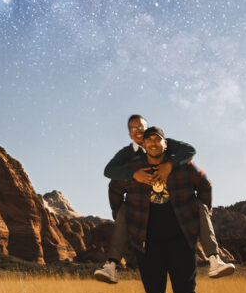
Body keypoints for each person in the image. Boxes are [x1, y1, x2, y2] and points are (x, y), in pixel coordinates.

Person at [94, 114, 234, 283]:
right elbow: (110, 174)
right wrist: (132, 175)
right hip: (144, 214)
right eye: (133, 129)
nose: (137, 131)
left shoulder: (166, 145)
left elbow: (191, 153)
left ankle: (215, 260)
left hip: (175, 215)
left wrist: (170, 165)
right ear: (130, 134)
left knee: (198, 205)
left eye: (141, 127)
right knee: (125, 210)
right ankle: (111, 265)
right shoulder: (128, 154)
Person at [116, 126, 209, 293]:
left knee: (185, 291)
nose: (153, 143)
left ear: (165, 144)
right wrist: (124, 217)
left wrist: (197, 217)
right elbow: (114, 187)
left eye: (158, 140)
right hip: (147, 241)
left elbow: (205, 184)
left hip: (181, 238)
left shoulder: (182, 166)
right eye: (149, 140)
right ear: (144, 145)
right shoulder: (134, 170)